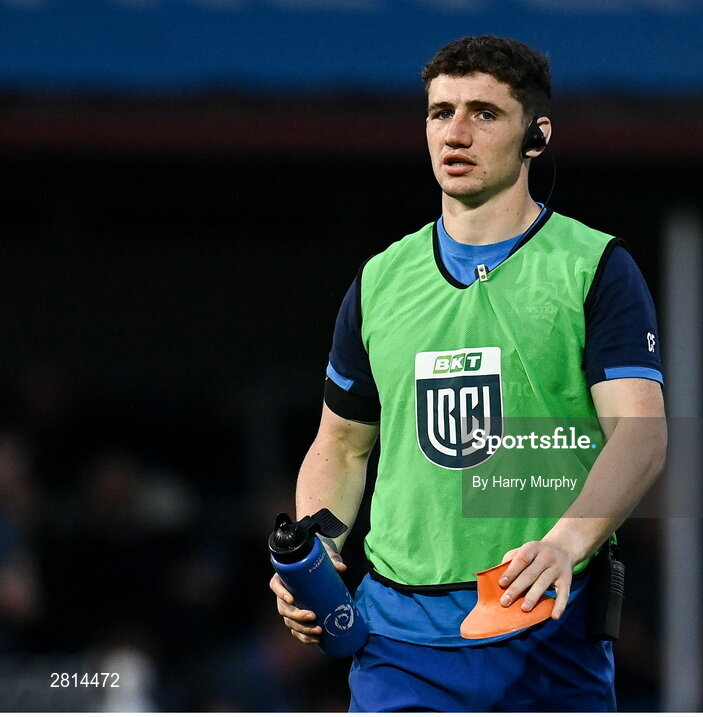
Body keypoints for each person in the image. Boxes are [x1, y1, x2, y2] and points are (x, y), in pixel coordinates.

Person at [269, 35, 666, 711]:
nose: (456, 132)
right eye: (439, 111)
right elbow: (340, 443)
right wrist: (319, 550)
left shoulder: (595, 267)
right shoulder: (379, 282)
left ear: (536, 136)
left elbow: (641, 433)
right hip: (396, 639)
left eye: (483, 112)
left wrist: (565, 544)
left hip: (544, 626)